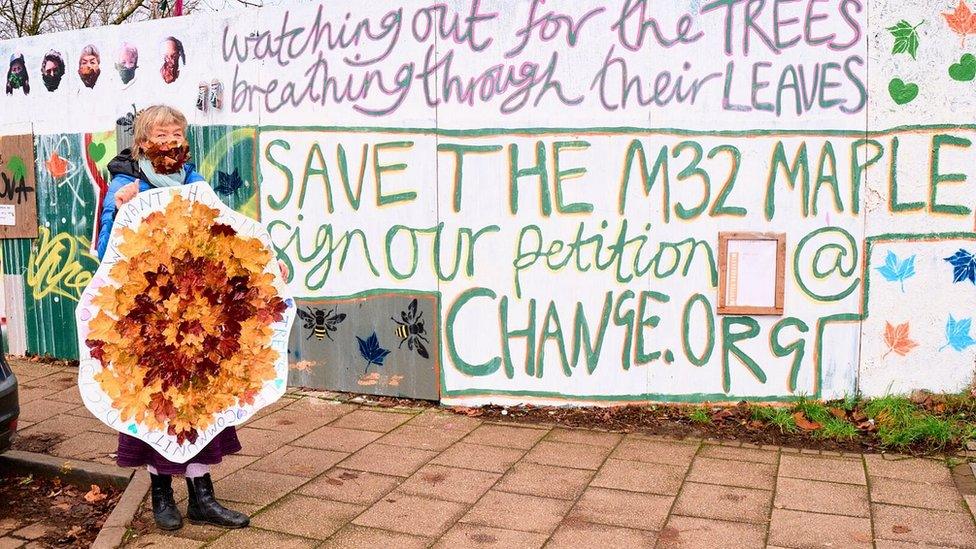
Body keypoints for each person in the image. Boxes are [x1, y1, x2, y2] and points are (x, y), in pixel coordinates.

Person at [97, 105, 250, 531]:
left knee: (199, 402)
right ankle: (161, 495)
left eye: (177, 136)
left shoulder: (194, 182)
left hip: (194, 317)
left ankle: (203, 498)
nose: (170, 144)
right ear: (142, 142)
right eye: (161, 136)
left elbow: (225, 232)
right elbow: (106, 251)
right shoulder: (126, 185)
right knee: (156, 408)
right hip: (147, 320)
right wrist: (124, 210)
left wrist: (266, 266)